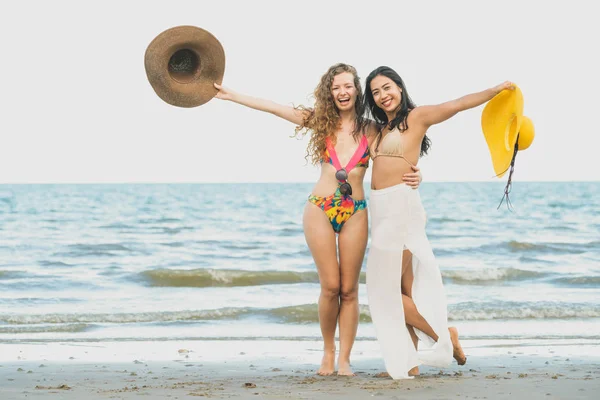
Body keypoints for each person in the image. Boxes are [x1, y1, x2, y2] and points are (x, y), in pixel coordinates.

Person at [213, 63, 422, 376]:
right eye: (336, 87)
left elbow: (401, 152)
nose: (342, 92)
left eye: (348, 86)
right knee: (330, 287)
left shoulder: (373, 130)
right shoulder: (320, 123)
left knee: (349, 290)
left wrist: (417, 173)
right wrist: (232, 95)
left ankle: (345, 360)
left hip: (357, 210)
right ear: (329, 91)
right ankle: (328, 352)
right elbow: (274, 108)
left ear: (357, 90)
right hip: (319, 208)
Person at [363, 65, 513, 379]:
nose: (382, 95)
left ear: (400, 88)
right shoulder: (377, 129)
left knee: (383, 290)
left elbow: (455, 105)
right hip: (381, 210)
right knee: (404, 287)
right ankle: (410, 362)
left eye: (387, 87)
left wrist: (496, 90)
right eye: (376, 91)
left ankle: (444, 336)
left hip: (401, 209)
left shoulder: (416, 118)